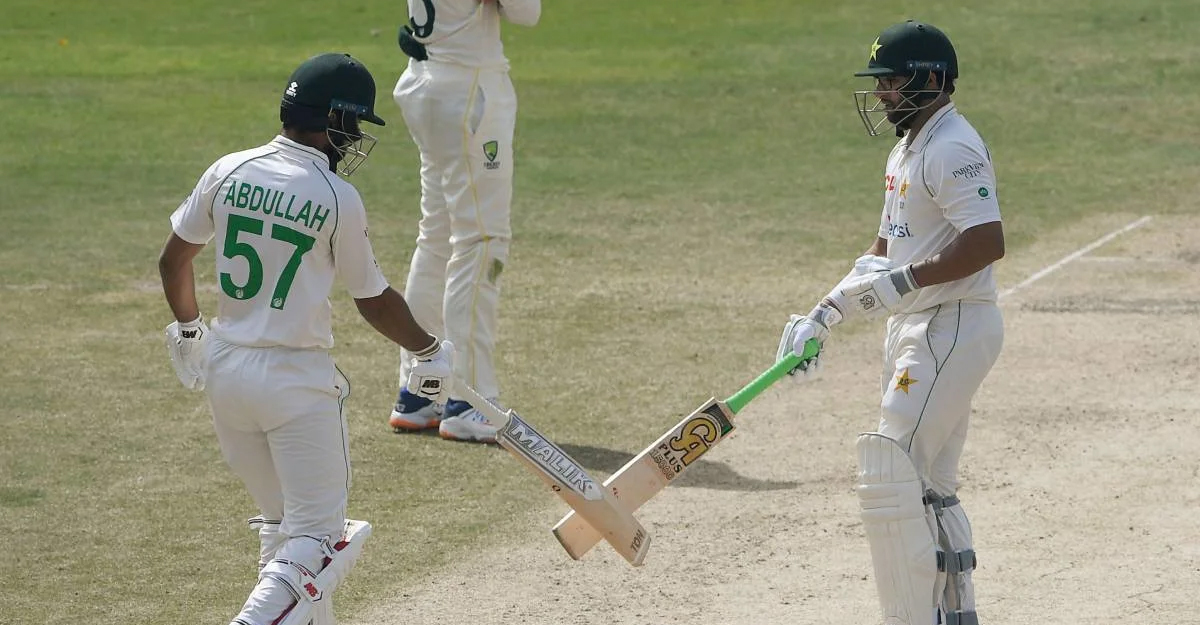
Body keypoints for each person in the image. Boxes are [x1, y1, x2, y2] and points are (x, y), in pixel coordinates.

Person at [158, 52, 455, 625]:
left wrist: (191, 329)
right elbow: (372, 298)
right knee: (322, 539)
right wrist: (428, 349)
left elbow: (173, 262)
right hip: (294, 383)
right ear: (333, 117)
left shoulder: (229, 169)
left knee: (282, 530)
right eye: (354, 122)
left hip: (225, 373)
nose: (356, 136)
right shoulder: (335, 196)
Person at [776, 20, 1004, 625]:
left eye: (891, 81)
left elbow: (986, 242)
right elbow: (883, 251)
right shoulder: (907, 149)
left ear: (930, 80)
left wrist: (901, 283)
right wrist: (824, 313)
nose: (880, 94)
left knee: (893, 469)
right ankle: (952, 614)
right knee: (929, 484)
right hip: (916, 328)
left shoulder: (952, 147)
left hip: (950, 324)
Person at [387, 0, 541, 443]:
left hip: (429, 81)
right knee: (480, 241)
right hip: (469, 91)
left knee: (436, 235)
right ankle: (470, 401)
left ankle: (421, 391)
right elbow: (526, 13)